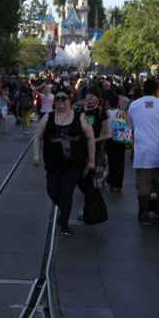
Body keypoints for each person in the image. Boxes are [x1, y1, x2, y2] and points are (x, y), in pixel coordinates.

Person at [33, 91, 95, 236]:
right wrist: (36, 154)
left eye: (63, 98)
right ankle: (65, 210)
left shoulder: (80, 117)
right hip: (53, 164)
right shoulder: (48, 117)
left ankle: (65, 223)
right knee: (52, 191)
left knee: (66, 192)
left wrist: (91, 160)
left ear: (70, 101)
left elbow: (90, 138)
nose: (60, 101)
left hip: (73, 164)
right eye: (57, 99)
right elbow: (38, 137)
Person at [128, 78, 159, 226]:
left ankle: (144, 214)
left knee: (143, 186)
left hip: (143, 153)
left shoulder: (134, 106)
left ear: (143, 89)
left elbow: (132, 126)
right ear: (157, 90)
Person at [104, 96, 128, 192]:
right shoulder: (121, 113)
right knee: (120, 161)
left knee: (111, 160)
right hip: (119, 138)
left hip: (109, 139)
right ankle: (118, 183)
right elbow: (126, 124)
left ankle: (111, 180)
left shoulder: (106, 113)